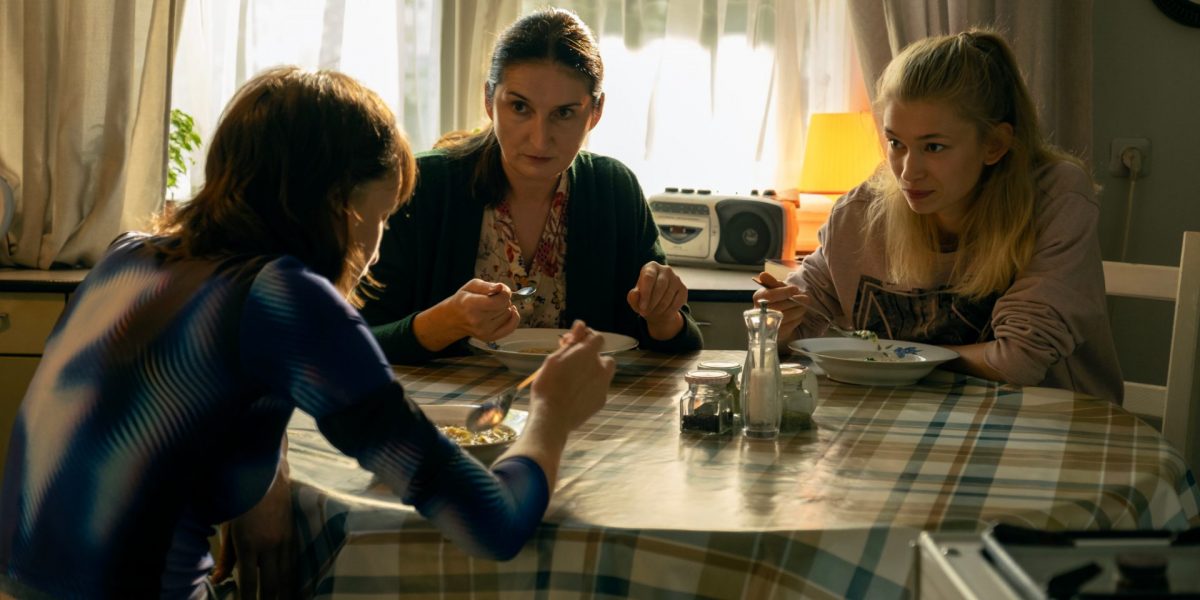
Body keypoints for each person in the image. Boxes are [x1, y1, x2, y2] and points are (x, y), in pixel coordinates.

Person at [0, 66, 615, 599]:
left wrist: (271, 472)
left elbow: (206, 399)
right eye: (383, 217)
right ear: (340, 207)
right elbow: (495, 525)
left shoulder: (130, 255)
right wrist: (551, 414)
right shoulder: (286, 298)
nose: (377, 249)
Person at [754, 30, 1123, 403]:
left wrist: (896, 357)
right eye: (896, 143)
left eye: (933, 147)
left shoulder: (1054, 198)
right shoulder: (860, 214)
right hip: (904, 422)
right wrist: (779, 325)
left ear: (994, 144)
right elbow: (798, 330)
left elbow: (1019, 361)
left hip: (1048, 423)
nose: (908, 172)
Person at [359, 8, 703, 363]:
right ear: (489, 100)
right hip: (445, 401)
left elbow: (682, 345)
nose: (540, 140)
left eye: (564, 113)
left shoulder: (613, 190)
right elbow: (352, 342)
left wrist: (662, 315)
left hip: (582, 398)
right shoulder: (422, 186)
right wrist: (445, 322)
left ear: (595, 112)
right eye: (520, 107)